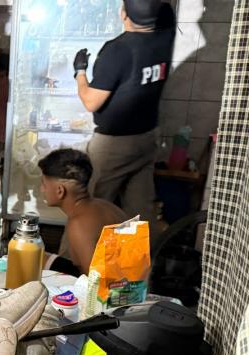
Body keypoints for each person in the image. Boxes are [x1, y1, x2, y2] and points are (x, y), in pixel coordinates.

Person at [73, 0, 176, 235]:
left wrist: (80, 71)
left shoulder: (119, 49)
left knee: (88, 208)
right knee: (138, 214)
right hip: (147, 138)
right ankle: (137, 260)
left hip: (114, 145)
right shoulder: (165, 39)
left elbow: (91, 101)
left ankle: (75, 257)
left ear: (124, 15)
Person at [39, 149, 127, 275]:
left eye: (44, 184)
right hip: (127, 282)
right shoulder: (105, 206)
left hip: (109, 285)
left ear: (60, 191)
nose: (42, 190)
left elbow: (95, 279)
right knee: (38, 257)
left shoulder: (79, 223)